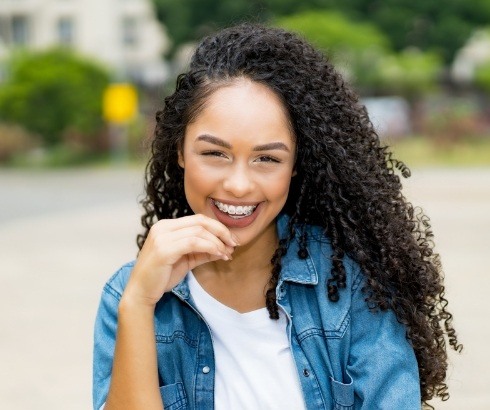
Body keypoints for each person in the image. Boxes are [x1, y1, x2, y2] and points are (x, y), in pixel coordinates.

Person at [93, 24, 461, 409]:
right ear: (180, 151)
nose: (238, 185)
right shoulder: (128, 294)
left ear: (295, 165)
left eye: (267, 158)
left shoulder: (352, 284)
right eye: (215, 154)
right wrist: (138, 303)